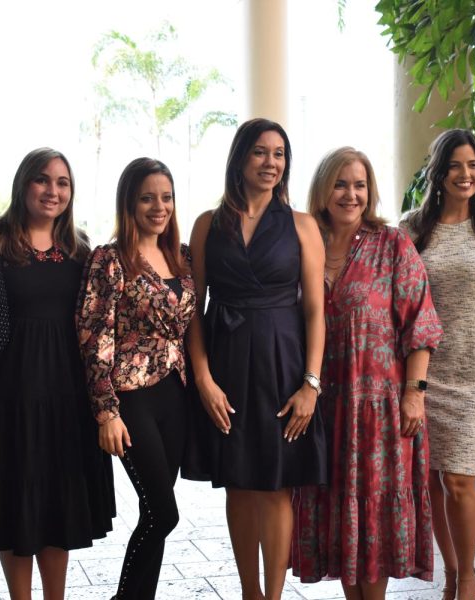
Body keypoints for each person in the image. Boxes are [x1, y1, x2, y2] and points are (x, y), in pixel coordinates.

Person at [182, 118, 327, 600]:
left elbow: (315, 311)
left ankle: (274, 596)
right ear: (240, 158)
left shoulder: (302, 226)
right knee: (239, 484)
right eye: (261, 152)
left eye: (280, 154)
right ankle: (249, 593)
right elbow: (194, 310)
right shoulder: (207, 224)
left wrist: (311, 384)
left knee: (277, 485)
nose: (271, 163)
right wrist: (203, 379)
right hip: (225, 365)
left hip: (282, 363)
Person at [292, 147, 443, 600]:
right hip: (321, 409)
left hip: (379, 411)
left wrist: (414, 392)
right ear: (323, 188)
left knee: (372, 523)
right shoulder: (303, 240)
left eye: (359, 185)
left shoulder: (391, 243)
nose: (350, 194)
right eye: (340, 183)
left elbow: (421, 321)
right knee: (341, 524)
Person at [0, 148, 115, 599]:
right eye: (42, 180)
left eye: (62, 182)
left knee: (56, 502)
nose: (52, 191)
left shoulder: (81, 250)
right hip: (9, 391)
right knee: (17, 500)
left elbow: (104, 320)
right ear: (23, 185)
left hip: (66, 394)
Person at [402, 129, 475, 600]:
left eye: (472, 165)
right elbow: (404, 303)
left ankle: (468, 576)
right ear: (439, 171)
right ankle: (451, 574)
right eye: (455, 165)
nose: (465, 174)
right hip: (425, 373)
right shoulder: (411, 228)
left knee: (459, 479)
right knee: (433, 478)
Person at [77, 158, 197, 600]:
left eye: (166, 197)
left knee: (154, 511)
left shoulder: (182, 258)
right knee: (164, 513)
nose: (158, 206)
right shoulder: (109, 260)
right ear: (129, 202)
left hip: (176, 396)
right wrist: (106, 412)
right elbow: (94, 339)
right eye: (148, 197)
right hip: (131, 399)